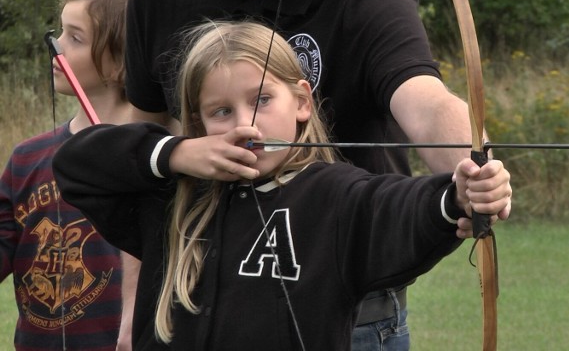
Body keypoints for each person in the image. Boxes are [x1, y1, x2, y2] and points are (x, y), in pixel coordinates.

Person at [52, 21, 512, 350]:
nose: (246, 122)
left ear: (302, 103)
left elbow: (399, 208)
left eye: (262, 100)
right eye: (220, 111)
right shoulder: (174, 198)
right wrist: (177, 153)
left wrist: (460, 196)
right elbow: (77, 163)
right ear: (197, 123)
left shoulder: (333, 196)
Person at [0, 0, 137, 349]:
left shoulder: (156, 156)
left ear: (121, 60)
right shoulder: (26, 158)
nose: (55, 47)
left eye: (75, 38)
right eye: (59, 32)